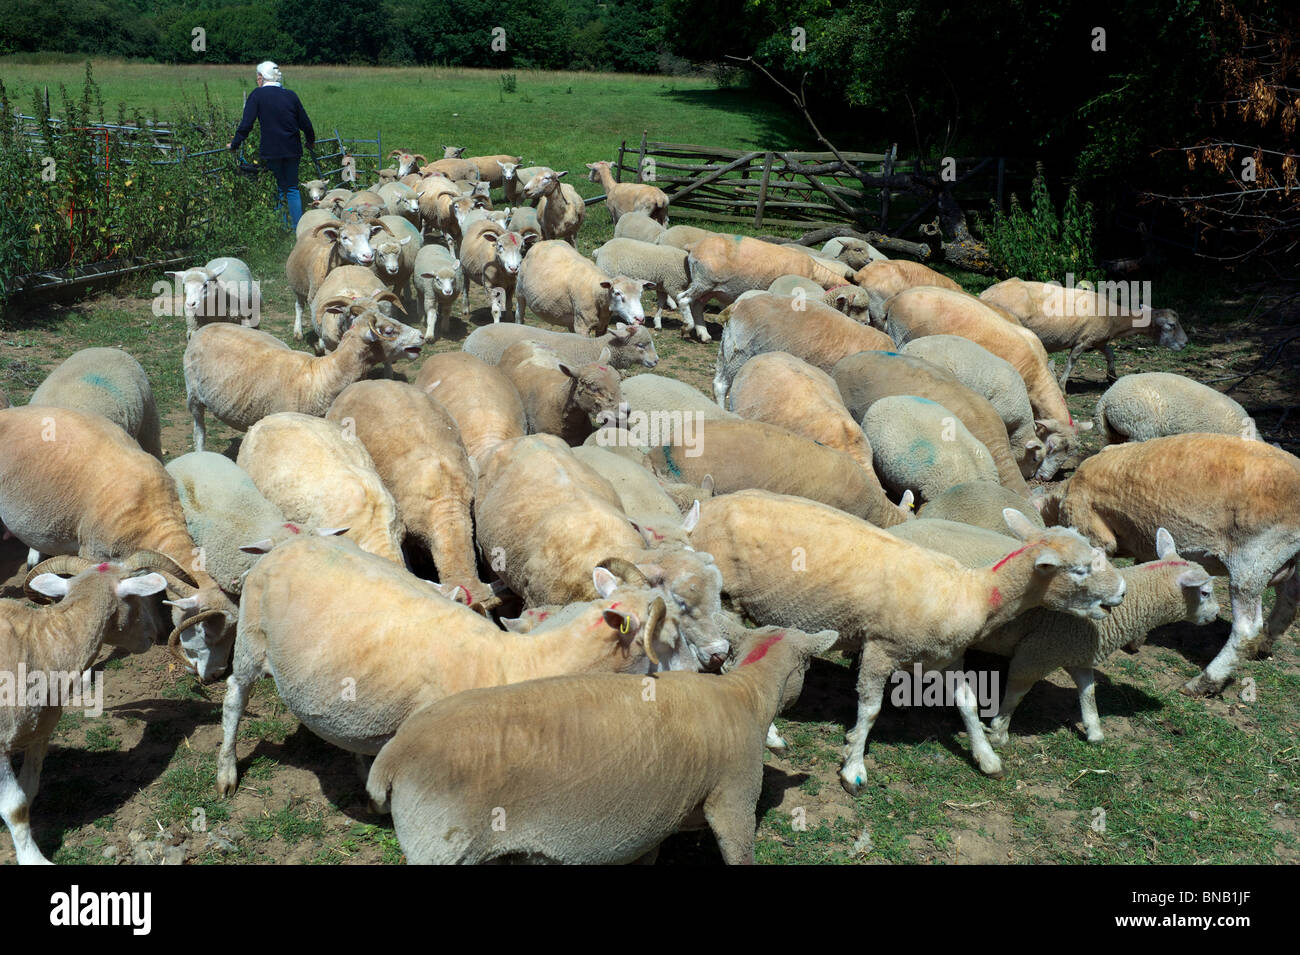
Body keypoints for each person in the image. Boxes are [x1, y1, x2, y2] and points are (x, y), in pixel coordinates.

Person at [227, 61, 315, 229]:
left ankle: (281, 227)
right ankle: (298, 228)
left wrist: (235, 143)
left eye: (257, 77)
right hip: (292, 148)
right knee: (292, 188)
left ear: (262, 77)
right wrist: (310, 140)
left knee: (279, 188)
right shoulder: (291, 95)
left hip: (272, 149)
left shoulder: (257, 95)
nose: (257, 81)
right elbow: (305, 122)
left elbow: (247, 124)